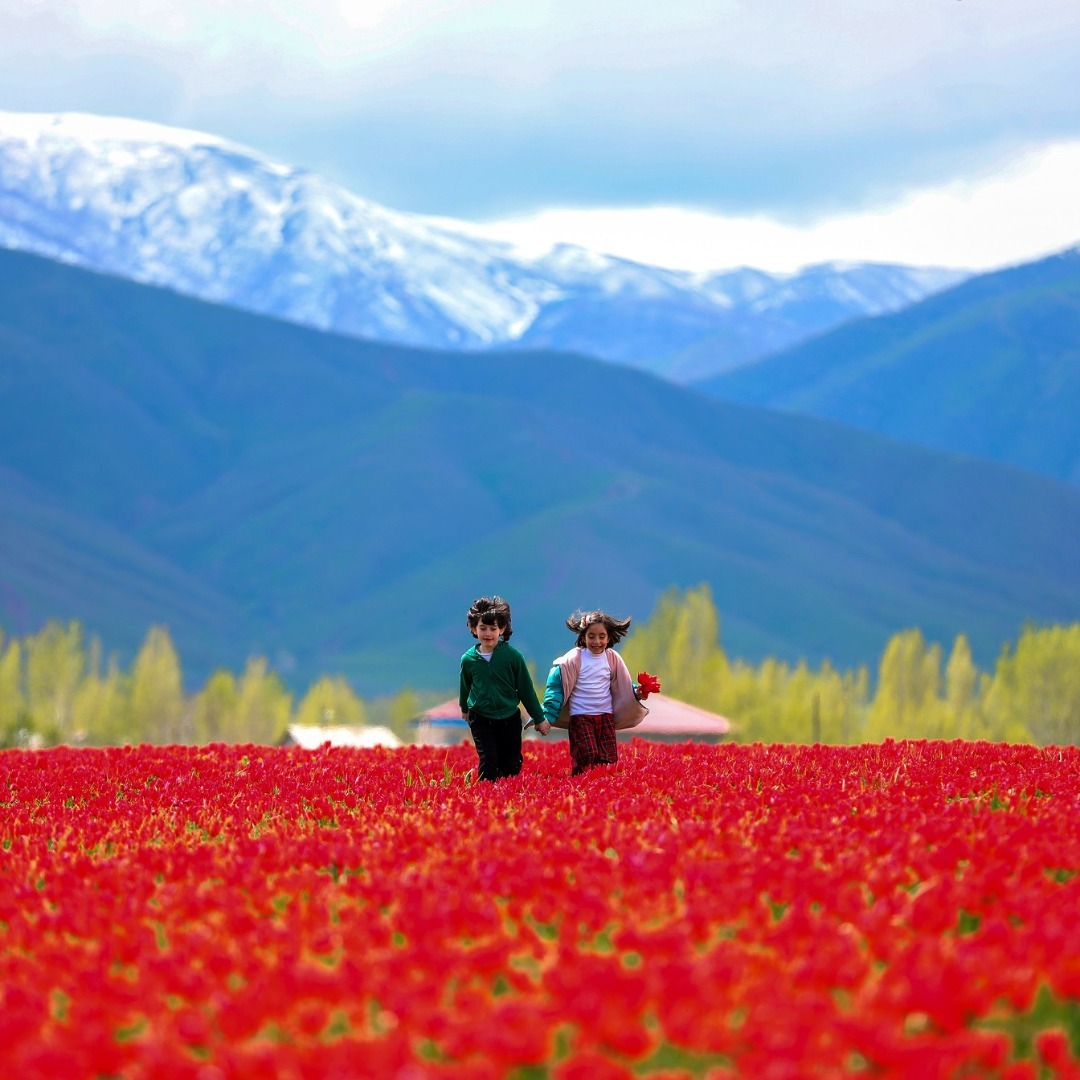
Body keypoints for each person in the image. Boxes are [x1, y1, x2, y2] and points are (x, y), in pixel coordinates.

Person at [535, 609, 648, 775]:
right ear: (583, 637)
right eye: (591, 636)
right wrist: (547, 717)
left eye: (602, 636)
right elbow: (556, 688)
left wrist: (637, 692)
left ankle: (600, 791)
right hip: (581, 717)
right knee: (586, 755)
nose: (597, 641)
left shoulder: (611, 658)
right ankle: (581, 784)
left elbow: (623, 683)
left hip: (605, 716)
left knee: (607, 758)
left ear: (609, 638)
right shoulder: (574, 659)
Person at [459, 596, 545, 782]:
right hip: (480, 717)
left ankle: (506, 800)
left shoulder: (513, 657)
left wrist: (539, 718)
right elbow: (465, 686)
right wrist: (465, 709)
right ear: (473, 629)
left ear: (502, 629)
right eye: (483, 628)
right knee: (488, 761)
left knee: (511, 763)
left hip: (509, 717)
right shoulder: (468, 660)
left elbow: (526, 690)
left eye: (493, 628)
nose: (488, 633)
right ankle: (485, 799)